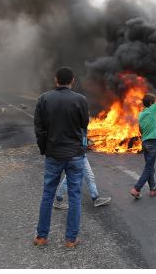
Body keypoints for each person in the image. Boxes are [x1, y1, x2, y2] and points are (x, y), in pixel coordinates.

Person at [33, 66, 89, 249]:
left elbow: (39, 129)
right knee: (74, 196)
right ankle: (70, 240)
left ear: (56, 80)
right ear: (72, 80)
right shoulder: (81, 100)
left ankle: (41, 237)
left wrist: (45, 149)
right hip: (75, 155)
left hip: (54, 154)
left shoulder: (44, 99)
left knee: (48, 194)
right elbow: (84, 125)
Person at [130, 72, 156, 199]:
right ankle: (137, 188)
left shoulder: (140, 114)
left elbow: (140, 129)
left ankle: (153, 189)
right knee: (148, 168)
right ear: (151, 103)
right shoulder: (152, 111)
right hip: (152, 143)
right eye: (154, 102)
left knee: (150, 167)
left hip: (145, 143)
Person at [54, 137, 111, 209]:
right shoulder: (73, 126)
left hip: (78, 154)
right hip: (76, 154)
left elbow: (80, 133)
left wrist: (87, 140)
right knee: (71, 178)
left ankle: (96, 198)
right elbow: (76, 134)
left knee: (86, 176)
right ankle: (58, 201)